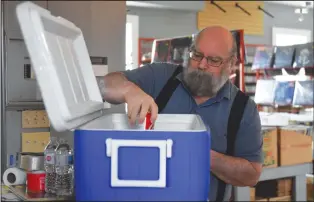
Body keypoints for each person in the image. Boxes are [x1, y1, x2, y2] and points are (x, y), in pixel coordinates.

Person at [102, 26, 263, 201]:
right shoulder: (160, 76)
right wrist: (129, 90)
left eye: (213, 60)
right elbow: (104, 85)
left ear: (231, 64)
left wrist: (198, 151)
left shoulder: (244, 109)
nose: (201, 65)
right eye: (197, 55)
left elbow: (252, 174)